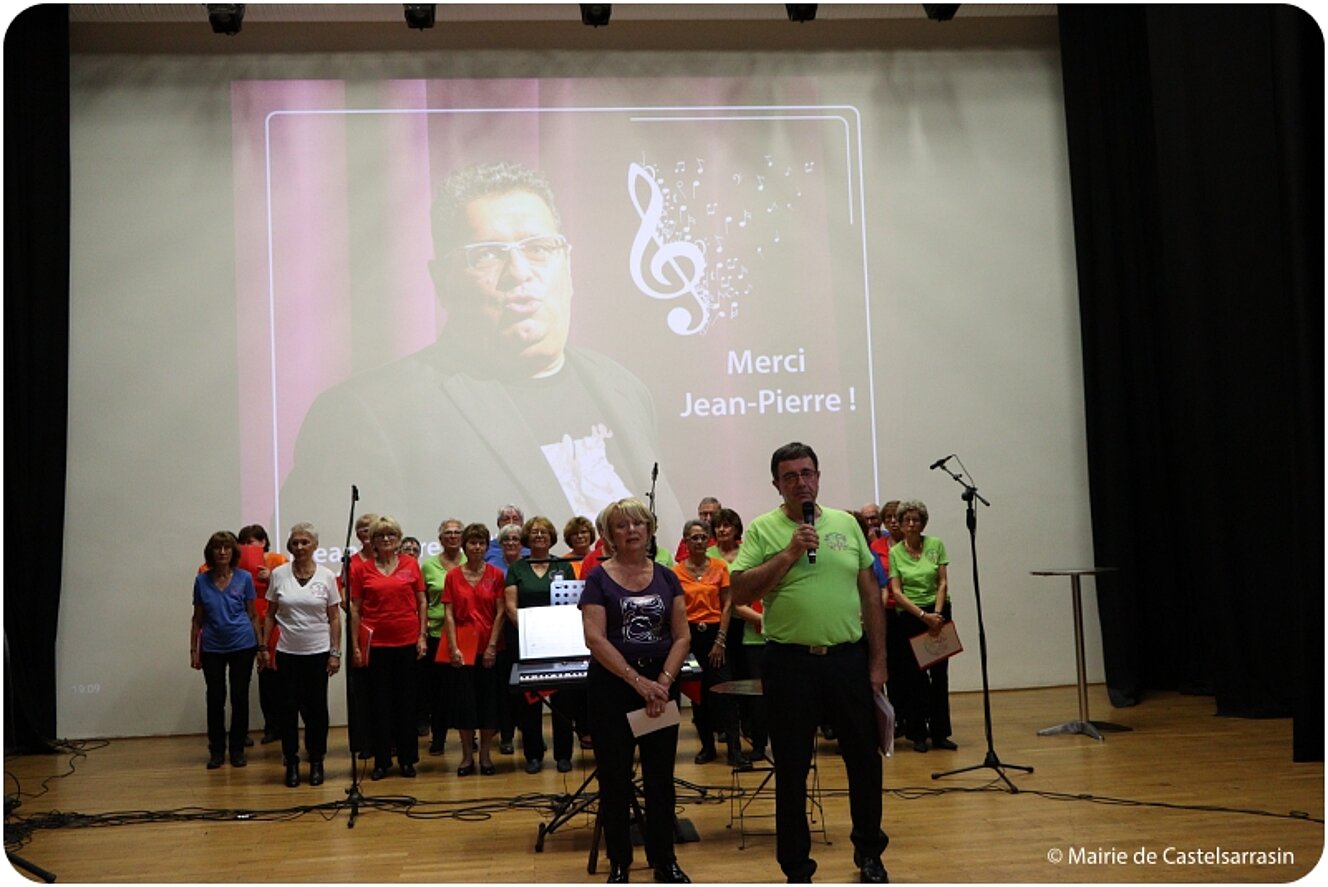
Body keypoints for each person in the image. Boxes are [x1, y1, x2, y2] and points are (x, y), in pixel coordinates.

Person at [279, 161, 684, 544]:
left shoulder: (623, 389)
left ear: (567, 264)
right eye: (488, 254)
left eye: (539, 248)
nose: (520, 273)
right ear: (442, 280)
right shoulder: (364, 416)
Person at [731, 442, 889, 884]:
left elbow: (870, 596)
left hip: (846, 659)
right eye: (790, 476)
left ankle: (870, 853)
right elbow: (740, 592)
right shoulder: (763, 529)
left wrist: (878, 661)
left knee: (864, 760)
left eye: (807, 473)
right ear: (777, 484)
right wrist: (789, 553)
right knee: (792, 767)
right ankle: (797, 868)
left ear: (818, 477)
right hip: (789, 663)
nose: (800, 482)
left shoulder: (846, 524)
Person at [580, 498, 692, 884]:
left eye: (638, 523)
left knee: (660, 778)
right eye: (622, 525)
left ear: (649, 529)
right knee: (615, 779)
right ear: (610, 535)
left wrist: (662, 683)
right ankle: (619, 864)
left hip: (660, 688)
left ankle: (665, 861)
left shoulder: (667, 577)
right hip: (613, 687)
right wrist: (637, 682)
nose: (631, 530)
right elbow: (594, 638)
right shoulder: (598, 578)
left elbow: (682, 636)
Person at [261, 523, 341, 787]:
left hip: (318, 653)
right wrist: (264, 647)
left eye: (305, 542)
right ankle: (291, 761)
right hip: (287, 653)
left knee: (317, 710)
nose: (299, 547)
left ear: (315, 545)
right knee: (287, 709)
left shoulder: (326, 576)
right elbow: (270, 615)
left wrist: (335, 652)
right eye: (295, 542)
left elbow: (334, 618)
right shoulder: (279, 574)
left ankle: (316, 760)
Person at [349, 515, 427, 780]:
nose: (386, 539)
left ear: (398, 539)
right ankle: (381, 761)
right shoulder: (361, 569)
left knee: (406, 703)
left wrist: (422, 636)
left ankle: (407, 759)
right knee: (379, 704)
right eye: (380, 535)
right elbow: (355, 609)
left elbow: (421, 601)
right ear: (371, 540)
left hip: (406, 642)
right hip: (376, 645)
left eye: (391, 535)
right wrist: (356, 645)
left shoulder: (410, 564)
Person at [503, 516, 584, 774]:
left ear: (551, 538)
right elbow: (510, 607)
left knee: (564, 700)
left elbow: (573, 605)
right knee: (531, 701)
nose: (539, 536)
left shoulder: (563, 566)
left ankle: (564, 755)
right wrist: (532, 634)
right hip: (528, 643)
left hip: (559, 643)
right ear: (527, 537)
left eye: (544, 532)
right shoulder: (517, 568)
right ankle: (533, 754)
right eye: (535, 532)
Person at [673, 519, 746, 768]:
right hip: (690, 636)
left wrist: (721, 640)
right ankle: (707, 747)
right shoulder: (676, 572)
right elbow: (677, 609)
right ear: (686, 541)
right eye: (694, 537)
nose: (699, 541)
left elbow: (727, 604)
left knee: (725, 692)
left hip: (717, 634)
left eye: (703, 537)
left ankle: (735, 750)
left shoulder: (719, 566)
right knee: (698, 695)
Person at [887, 499, 955, 754]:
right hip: (910, 616)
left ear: (923, 523)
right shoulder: (895, 552)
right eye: (906, 520)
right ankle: (917, 734)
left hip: (938, 612)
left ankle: (940, 733)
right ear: (900, 524)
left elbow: (942, 582)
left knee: (939, 675)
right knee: (914, 676)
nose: (911, 524)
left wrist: (936, 614)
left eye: (916, 520)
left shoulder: (936, 544)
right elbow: (897, 591)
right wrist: (923, 615)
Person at [190, 531, 260, 770]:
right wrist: (193, 650)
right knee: (215, 698)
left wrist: (261, 646)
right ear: (210, 552)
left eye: (227, 548)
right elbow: (197, 619)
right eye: (217, 548)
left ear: (234, 552)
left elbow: (253, 614)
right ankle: (217, 750)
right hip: (212, 647)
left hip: (243, 644)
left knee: (239, 697)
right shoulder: (201, 581)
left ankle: (237, 749)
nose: (222, 552)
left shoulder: (245, 578)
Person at [442, 522, 507, 776]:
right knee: (465, 705)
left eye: (481, 542)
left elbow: (500, 612)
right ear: (464, 545)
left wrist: (491, 647)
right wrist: (453, 648)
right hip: (463, 649)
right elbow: (449, 614)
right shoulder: (453, 576)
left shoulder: (496, 574)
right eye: (472, 542)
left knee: (489, 705)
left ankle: (486, 756)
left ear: (487, 546)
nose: (477, 547)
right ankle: (467, 756)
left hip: (490, 647)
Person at [238, 524, 288, 745]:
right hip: (247, 620)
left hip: (273, 622)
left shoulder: (278, 560)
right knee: (253, 678)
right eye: (244, 542)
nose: (248, 546)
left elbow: (290, 586)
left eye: (252, 541)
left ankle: (279, 727)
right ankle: (261, 728)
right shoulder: (237, 564)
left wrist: (271, 577)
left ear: (263, 542)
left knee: (274, 676)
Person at [419, 519, 465, 755]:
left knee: (465, 690)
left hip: (466, 633)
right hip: (437, 633)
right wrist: (423, 633)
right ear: (440, 539)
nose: (453, 536)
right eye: (448, 533)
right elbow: (423, 602)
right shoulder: (428, 566)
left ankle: (469, 737)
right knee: (438, 692)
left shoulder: (471, 562)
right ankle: (438, 738)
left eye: (457, 532)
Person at [673, 496, 722, 562]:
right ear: (699, 514)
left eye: (712, 514)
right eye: (705, 514)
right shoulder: (689, 538)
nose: (708, 518)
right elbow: (681, 562)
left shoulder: (728, 538)